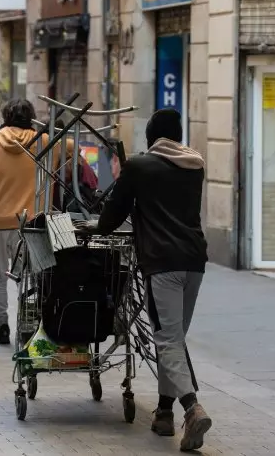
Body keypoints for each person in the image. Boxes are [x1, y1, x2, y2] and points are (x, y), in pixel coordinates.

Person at [75, 108, 211, 451]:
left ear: (151, 137)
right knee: (175, 337)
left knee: (166, 339)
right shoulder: (195, 164)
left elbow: (112, 216)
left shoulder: (138, 166)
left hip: (162, 262)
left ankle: (191, 408)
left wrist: (94, 226)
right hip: (194, 261)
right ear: (178, 135)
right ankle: (164, 413)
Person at [0, 99, 73, 345]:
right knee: (31, 277)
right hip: (32, 223)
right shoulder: (44, 141)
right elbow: (71, 146)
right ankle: (27, 325)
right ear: (31, 117)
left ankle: (2, 324)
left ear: (5, 116)